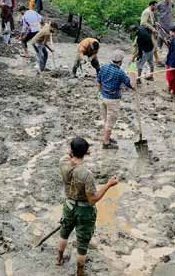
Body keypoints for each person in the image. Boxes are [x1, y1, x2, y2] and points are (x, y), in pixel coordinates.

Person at [57, 137, 119, 276]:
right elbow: (93, 199)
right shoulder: (86, 175)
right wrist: (109, 184)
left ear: (71, 151)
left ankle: (59, 258)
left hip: (69, 205)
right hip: (84, 211)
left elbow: (69, 155)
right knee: (82, 244)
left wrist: (77, 152)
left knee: (64, 233)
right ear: (86, 152)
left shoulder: (63, 163)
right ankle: (80, 272)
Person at [97, 51, 133, 149]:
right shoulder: (120, 72)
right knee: (110, 121)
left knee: (106, 120)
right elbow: (130, 84)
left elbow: (99, 81)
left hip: (102, 97)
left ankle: (107, 137)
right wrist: (133, 75)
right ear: (120, 62)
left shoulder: (103, 67)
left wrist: (99, 93)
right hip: (113, 100)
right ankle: (106, 142)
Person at [140, 0, 161, 65]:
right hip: (145, 32)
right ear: (152, 5)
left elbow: (150, 21)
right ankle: (132, 67)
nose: (156, 7)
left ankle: (157, 61)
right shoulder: (147, 12)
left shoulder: (151, 12)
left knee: (154, 46)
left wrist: (156, 23)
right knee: (136, 51)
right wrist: (152, 28)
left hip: (149, 32)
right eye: (155, 6)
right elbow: (143, 22)